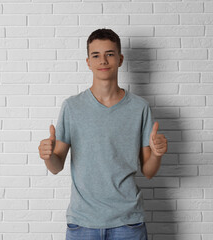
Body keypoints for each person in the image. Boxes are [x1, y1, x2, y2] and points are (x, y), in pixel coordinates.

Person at [38, 28, 168, 240]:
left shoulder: (139, 108)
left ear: (120, 59)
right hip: (82, 224)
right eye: (96, 55)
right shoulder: (72, 107)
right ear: (88, 62)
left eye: (109, 54)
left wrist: (157, 154)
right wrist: (48, 156)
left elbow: (149, 172)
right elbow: (56, 166)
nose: (103, 60)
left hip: (128, 223)